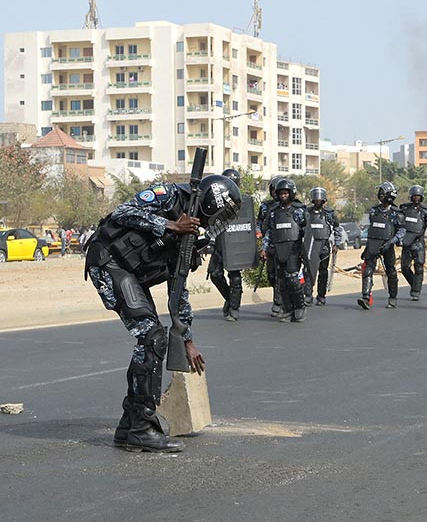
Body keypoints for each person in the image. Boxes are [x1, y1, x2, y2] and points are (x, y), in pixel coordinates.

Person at [85, 174, 240, 452]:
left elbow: (178, 288)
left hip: (131, 274)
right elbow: (122, 212)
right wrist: (169, 224)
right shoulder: (168, 196)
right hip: (109, 262)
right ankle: (142, 427)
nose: (219, 221)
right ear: (210, 203)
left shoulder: (194, 233)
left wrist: (187, 339)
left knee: (155, 337)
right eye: (221, 213)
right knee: (152, 337)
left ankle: (129, 425)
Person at [260, 178, 307, 323]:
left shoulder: (299, 210)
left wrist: (305, 252)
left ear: (291, 193)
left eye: (286, 193)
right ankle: (287, 310)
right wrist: (265, 248)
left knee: (292, 279)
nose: (283, 196)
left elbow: (306, 231)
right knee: (282, 282)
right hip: (278, 249)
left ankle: (299, 307)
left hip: (294, 249)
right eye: (281, 193)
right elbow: (269, 231)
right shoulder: (273, 212)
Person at [207, 168, 248, 322]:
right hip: (219, 244)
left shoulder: (242, 201)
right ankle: (229, 299)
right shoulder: (216, 201)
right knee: (215, 274)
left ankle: (234, 308)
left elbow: (248, 222)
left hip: (236, 244)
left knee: (235, 277)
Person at [358, 181, 405, 310]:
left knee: (391, 271)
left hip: (388, 245)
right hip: (373, 244)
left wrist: (392, 242)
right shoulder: (373, 211)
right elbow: (373, 228)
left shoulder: (397, 213)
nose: (381, 195)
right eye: (380, 193)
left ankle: (393, 297)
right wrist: (368, 246)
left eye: (383, 193)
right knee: (368, 269)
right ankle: (366, 297)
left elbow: (402, 230)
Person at [303, 186, 345, 306]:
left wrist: (337, 244)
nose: (318, 202)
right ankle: (308, 295)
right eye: (316, 200)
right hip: (310, 244)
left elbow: (337, 228)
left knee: (323, 271)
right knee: (308, 270)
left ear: (324, 200)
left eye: (320, 200)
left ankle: (321, 296)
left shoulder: (329, 214)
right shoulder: (306, 213)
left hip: (324, 245)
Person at [399, 185, 427, 301]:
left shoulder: (425, 211)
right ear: (411, 197)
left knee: (419, 267)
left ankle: (416, 291)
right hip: (407, 243)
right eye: (414, 196)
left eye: (418, 196)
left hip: (419, 243)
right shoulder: (404, 209)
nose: (416, 198)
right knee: (405, 268)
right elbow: (399, 225)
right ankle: (415, 284)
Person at [256, 177, 285, 317]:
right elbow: (260, 223)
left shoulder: (291, 206)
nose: (276, 193)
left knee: (284, 275)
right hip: (270, 244)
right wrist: (258, 233)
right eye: (274, 190)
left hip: (286, 246)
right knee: (271, 275)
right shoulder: (266, 206)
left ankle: (279, 303)